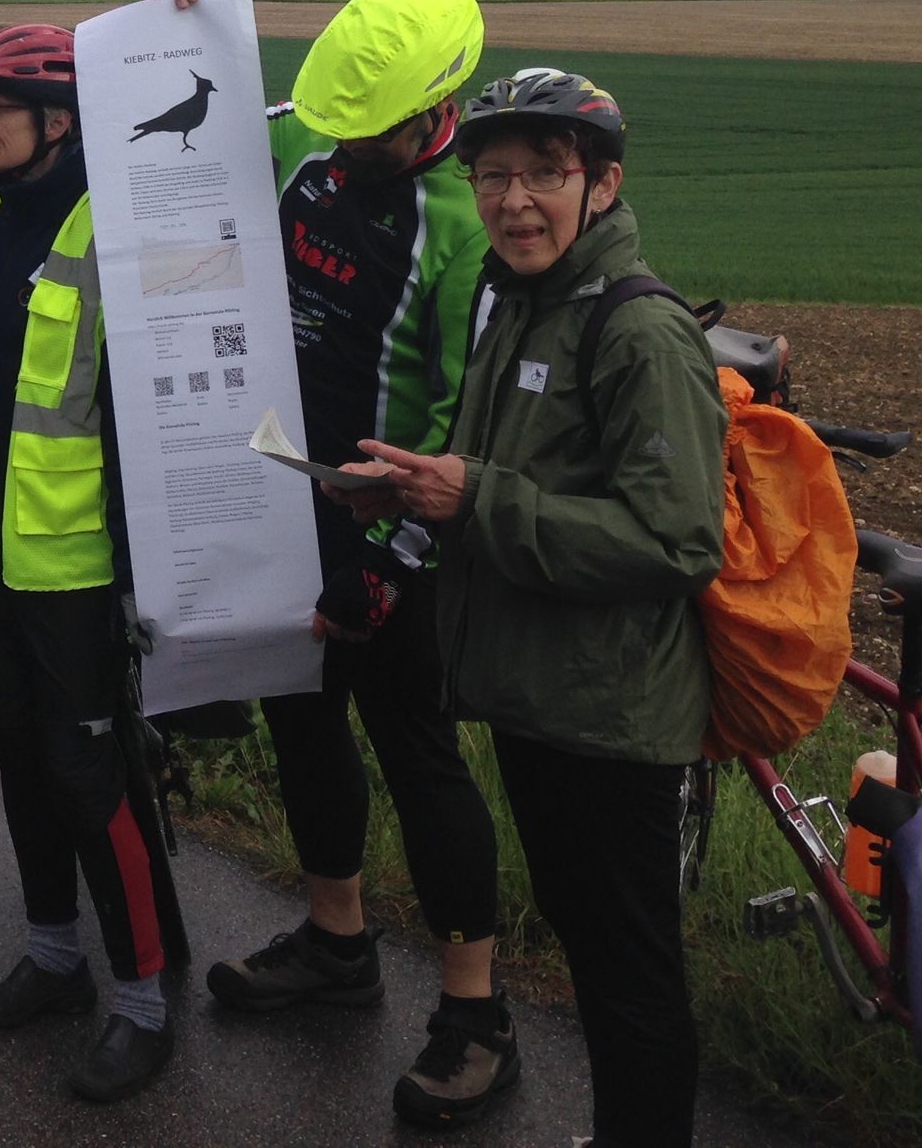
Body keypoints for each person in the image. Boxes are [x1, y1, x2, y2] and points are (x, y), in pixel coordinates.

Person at [338, 68, 725, 1148]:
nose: (514, 200)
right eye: (493, 174)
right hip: (539, 696)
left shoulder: (637, 331)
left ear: (600, 186)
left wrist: (481, 497)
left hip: (612, 714)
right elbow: (509, 472)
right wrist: (419, 483)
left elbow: (678, 540)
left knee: (631, 974)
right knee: (593, 950)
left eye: (544, 175)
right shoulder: (516, 304)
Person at [172, 0, 514, 1126]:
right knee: (301, 723)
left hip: (396, 533)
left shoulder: (459, 231)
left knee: (418, 757)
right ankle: (337, 943)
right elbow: (185, 167)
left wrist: (390, 562)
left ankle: (477, 1018)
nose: (346, 144)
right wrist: (182, 23)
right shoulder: (310, 169)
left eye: (371, 130)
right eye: (338, 123)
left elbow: (464, 422)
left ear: (433, 115)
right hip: (284, 503)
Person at [0, 22, 181, 1104]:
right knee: (22, 765)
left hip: (73, 574)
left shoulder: (111, 231)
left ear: (60, 123)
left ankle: (145, 997)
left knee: (92, 778)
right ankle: (52, 955)